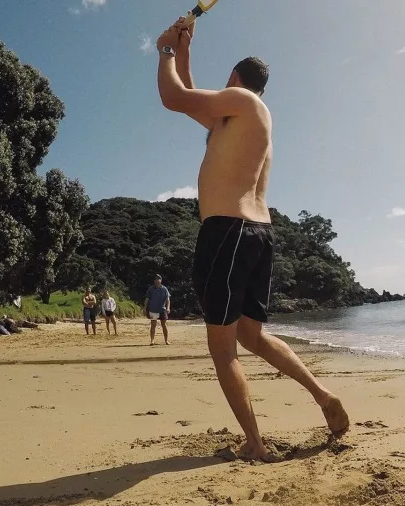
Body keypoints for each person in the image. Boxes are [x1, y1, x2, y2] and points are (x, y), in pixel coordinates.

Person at [154, 16, 349, 462]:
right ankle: (323, 397)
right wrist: (185, 50)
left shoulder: (240, 102)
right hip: (257, 234)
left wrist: (163, 50)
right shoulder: (246, 119)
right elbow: (189, 100)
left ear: (235, 81)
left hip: (226, 232)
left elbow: (174, 98)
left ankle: (256, 444)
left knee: (223, 351)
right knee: (252, 337)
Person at [144, 275, 171, 345]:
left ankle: (166, 340)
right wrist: (144, 308)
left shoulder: (164, 289)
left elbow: (168, 299)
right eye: (156, 280)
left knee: (164, 325)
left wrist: (168, 308)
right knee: (153, 325)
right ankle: (152, 340)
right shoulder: (151, 289)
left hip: (162, 309)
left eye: (158, 280)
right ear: (154, 281)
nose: (157, 281)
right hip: (153, 310)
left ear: (161, 281)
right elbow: (147, 299)